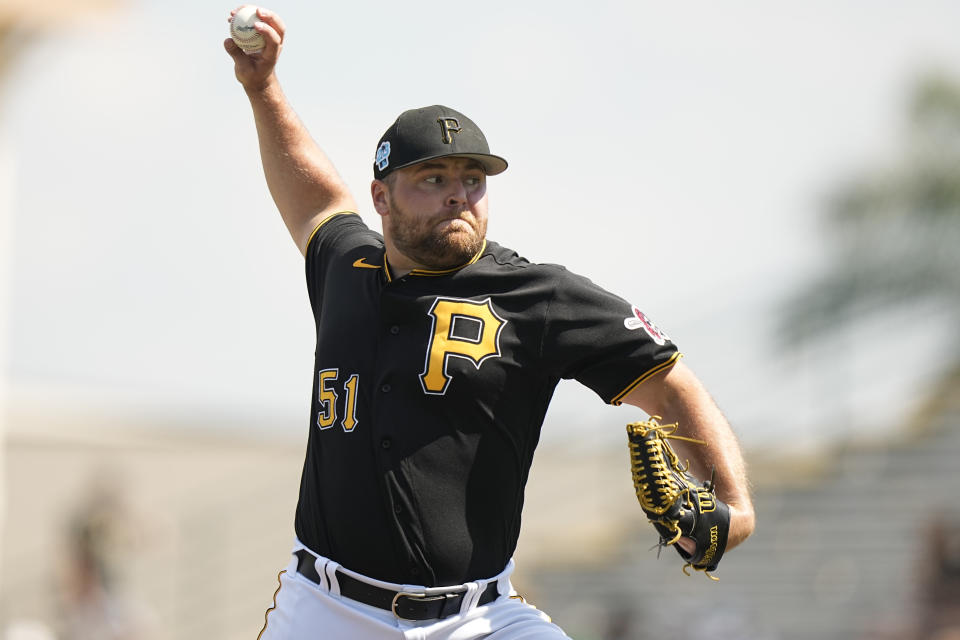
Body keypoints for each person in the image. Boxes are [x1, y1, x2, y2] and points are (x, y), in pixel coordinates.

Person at [224, 7, 755, 639]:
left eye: (473, 179)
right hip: (326, 610)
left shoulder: (538, 298)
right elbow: (315, 197)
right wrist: (263, 89)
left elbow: (670, 383)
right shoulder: (347, 266)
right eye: (433, 178)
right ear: (381, 198)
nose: (459, 193)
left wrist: (735, 508)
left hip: (477, 618)